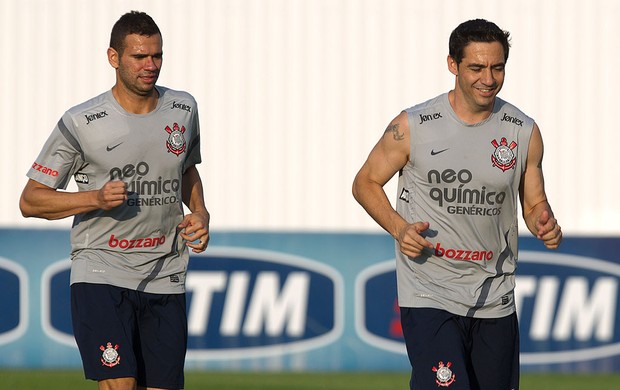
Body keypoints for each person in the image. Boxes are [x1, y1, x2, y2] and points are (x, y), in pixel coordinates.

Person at [352, 19, 562, 390]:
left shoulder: (522, 130)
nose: (489, 78)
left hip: (494, 295)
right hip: (430, 291)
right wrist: (400, 229)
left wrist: (542, 220)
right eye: (477, 67)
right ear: (453, 65)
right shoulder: (414, 125)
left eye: (497, 68)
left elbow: (533, 204)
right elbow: (365, 182)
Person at [19, 11, 209, 390]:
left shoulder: (183, 108)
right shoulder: (81, 121)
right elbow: (31, 201)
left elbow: (186, 169)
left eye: (157, 56)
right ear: (113, 57)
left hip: (165, 273)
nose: (150, 65)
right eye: (139, 57)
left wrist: (200, 212)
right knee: (120, 384)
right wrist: (94, 198)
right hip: (101, 270)